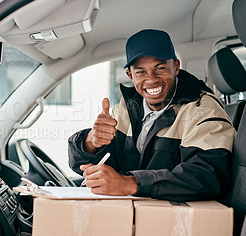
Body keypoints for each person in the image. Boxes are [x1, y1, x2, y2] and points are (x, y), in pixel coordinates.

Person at [68, 29, 236, 201]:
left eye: (160, 68)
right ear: (130, 75)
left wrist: (130, 184)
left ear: (176, 67)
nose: (152, 79)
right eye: (140, 71)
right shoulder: (127, 108)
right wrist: (91, 142)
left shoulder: (202, 108)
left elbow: (208, 175)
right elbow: (82, 164)